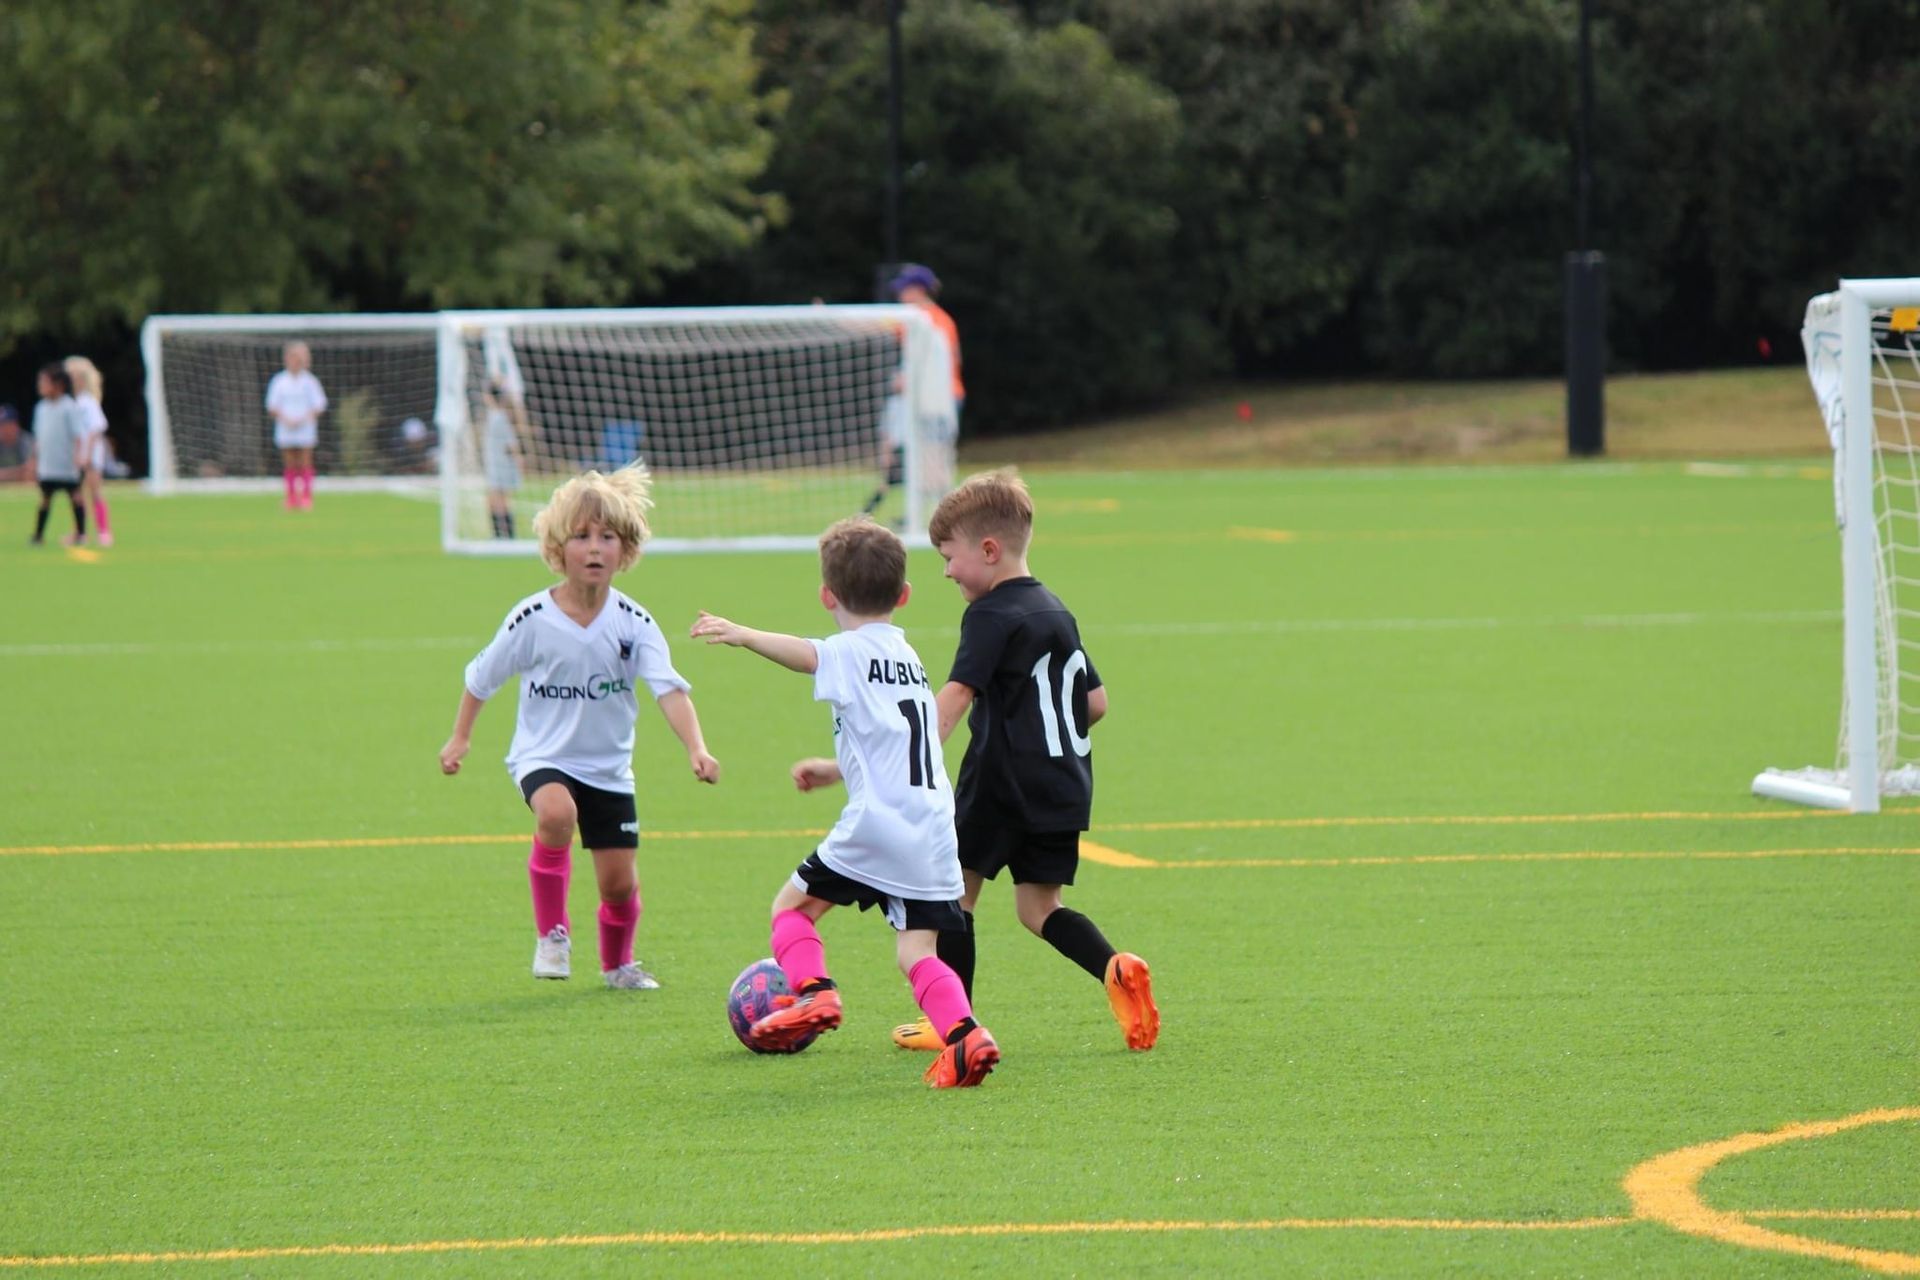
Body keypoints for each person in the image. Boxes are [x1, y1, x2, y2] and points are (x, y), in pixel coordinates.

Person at [690, 516, 1000, 1089]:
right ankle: (965, 1036)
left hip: (878, 820)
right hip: (934, 826)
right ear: (903, 596)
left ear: (826, 595)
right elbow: (909, 735)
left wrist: (743, 633)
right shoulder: (906, 655)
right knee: (918, 951)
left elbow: (809, 654)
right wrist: (837, 770)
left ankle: (815, 993)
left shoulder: (849, 650)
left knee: (792, 910)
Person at [891, 469, 1159, 1054]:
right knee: (1040, 908)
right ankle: (1114, 967)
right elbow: (1096, 703)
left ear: (988, 551)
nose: (945, 571)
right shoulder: (1054, 610)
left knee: (954, 896)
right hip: (1063, 786)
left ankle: (951, 1025)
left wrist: (905, 756)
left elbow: (956, 696)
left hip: (998, 785)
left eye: (949, 556)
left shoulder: (989, 615)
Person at [439, 464, 721, 989]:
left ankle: (618, 966)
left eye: (607, 538)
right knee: (555, 812)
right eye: (581, 537)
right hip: (542, 758)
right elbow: (482, 678)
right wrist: (461, 736)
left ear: (626, 548)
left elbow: (669, 690)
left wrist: (696, 749)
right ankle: (552, 935)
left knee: (618, 886)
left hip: (609, 770)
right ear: (557, 547)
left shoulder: (634, 622)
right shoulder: (530, 619)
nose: (594, 548)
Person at [861, 263, 962, 522]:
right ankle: (920, 512)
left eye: (904, 290)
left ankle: (942, 516)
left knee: (934, 461)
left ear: (918, 290)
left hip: (939, 401)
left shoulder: (935, 320)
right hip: (918, 401)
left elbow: (942, 362)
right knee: (908, 456)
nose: (900, 296)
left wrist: (912, 380)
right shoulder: (910, 319)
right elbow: (875, 325)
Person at [28, 365, 88, 546]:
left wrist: (79, 456)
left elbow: (78, 435)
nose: (41, 386)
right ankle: (38, 535)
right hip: (48, 464)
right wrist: (34, 459)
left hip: (66, 463)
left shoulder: (69, 407)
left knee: (75, 496)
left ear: (59, 385)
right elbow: (38, 437)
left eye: (45, 382)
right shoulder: (41, 408)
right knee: (45, 499)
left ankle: (80, 534)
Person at [265, 341, 326, 509]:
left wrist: (303, 418)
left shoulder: (310, 381)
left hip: (305, 427)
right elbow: (272, 406)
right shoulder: (279, 380)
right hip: (286, 427)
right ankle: (291, 497)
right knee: (290, 463)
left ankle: (306, 497)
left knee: (305, 462)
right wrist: (286, 418)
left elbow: (319, 405)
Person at [65, 357, 114, 547]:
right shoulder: (75, 402)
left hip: (90, 456)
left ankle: (104, 532)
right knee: (78, 495)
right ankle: (80, 532)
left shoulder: (88, 403)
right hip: (79, 456)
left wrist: (87, 454)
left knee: (95, 492)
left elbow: (96, 429)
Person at [481, 379, 529, 538]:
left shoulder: (500, 417)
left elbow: (511, 444)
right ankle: (499, 534)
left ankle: (506, 535)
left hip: (501, 466)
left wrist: (519, 460)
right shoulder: (496, 415)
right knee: (493, 501)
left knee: (499, 501)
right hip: (495, 465)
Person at [0, 405, 30, 483]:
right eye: (1, 425)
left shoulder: (26, 441)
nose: (4, 429)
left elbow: (30, 473)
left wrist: (3, 475)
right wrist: (18, 472)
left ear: (16, 425)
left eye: (7, 424)